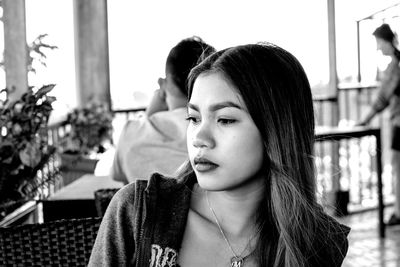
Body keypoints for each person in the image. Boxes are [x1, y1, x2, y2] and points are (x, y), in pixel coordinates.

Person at [89, 43, 350, 267]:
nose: (199, 138)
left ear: (276, 131)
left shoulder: (318, 244)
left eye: (224, 120)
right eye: (193, 118)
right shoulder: (138, 214)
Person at [108, 36, 215, 184]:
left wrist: (149, 115)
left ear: (163, 84)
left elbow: (118, 176)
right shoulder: (216, 130)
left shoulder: (132, 132)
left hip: (143, 207)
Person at [358, 23, 400, 226]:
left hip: (399, 124)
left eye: (378, 42)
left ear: (386, 41)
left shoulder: (396, 65)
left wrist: (365, 119)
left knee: (398, 169)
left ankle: (399, 212)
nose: (377, 48)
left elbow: (383, 97)